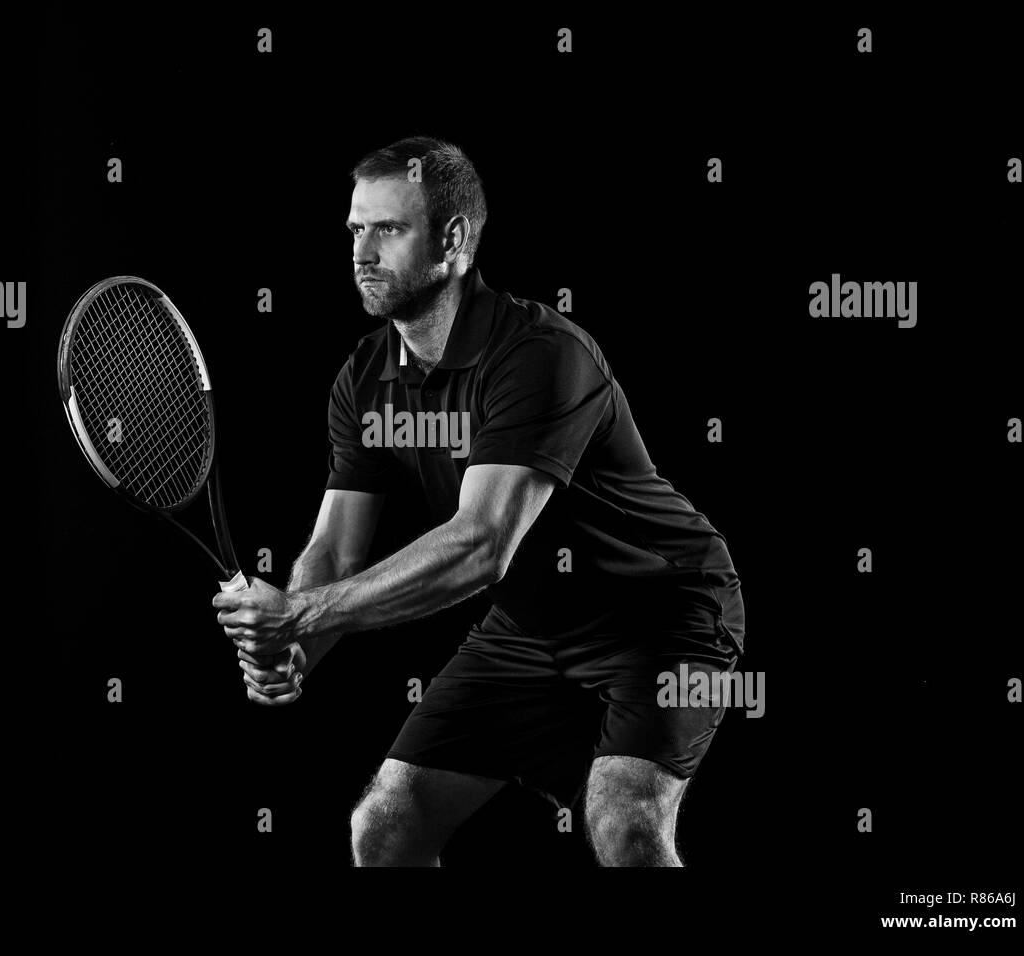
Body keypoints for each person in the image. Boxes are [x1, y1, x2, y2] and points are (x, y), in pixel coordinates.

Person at [213, 135, 745, 866]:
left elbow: (482, 544)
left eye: (389, 229)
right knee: (386, 825)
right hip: (534, 623)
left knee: (625, 822)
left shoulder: (541, 354)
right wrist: (299, 648)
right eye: (355, 229)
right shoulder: (366, 378)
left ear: (454, 239)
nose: (362, 251)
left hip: (660, 610)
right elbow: (335, 550)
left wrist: (301, 612)